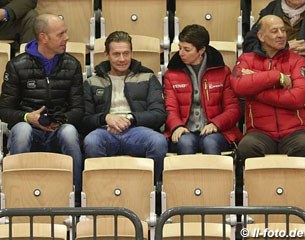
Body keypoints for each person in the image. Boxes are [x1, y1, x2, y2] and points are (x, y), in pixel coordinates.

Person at [0, 14, 84, 206]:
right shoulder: (17, 65)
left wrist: (60, 120)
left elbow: (79, 109)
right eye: (61, 34)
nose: (67, 38)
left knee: (70, 132)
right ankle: (16, 199)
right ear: (43, 37)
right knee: (21, 130)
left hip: (59, 128)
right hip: (29, 128)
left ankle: (77, 199)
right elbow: (4, 109)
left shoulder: (72, 65)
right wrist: (28, 117)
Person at [82, 31, 167, 184]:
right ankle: (102, 190)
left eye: (126, 53)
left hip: (137, 129)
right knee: (91, 141)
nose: (122, 59)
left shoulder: (147, 77)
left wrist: (130, 119)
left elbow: (159, 114)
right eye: (116, 54)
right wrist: (106, 118)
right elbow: (84, 119)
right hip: (105, 131)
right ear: (106, 54)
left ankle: (149, 189)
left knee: (158, 141)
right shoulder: (92, 82)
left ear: (132, 53)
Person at [230, 15, 305, 160]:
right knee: (246, 147)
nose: (281, 35)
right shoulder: (246, 59)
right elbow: (238, 87)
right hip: (260, 132)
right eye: (274, 31)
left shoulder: (298, 61)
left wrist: (255, 91)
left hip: (295, 131)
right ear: (261, 36)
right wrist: (276, 76)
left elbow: (298, 98)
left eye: (283, 30)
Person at [163, 24, 242, 155]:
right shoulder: (171, 74)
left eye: (187, 50)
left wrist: (215, 124)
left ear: (201, 50)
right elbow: (169, 108)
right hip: (185, 130)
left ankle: (215, 176)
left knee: (210, 142)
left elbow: (233, 109)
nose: (180, 53)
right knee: (185, 143)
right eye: (180, 48)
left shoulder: (223, 72)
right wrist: (177, 126)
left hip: (218, 131)